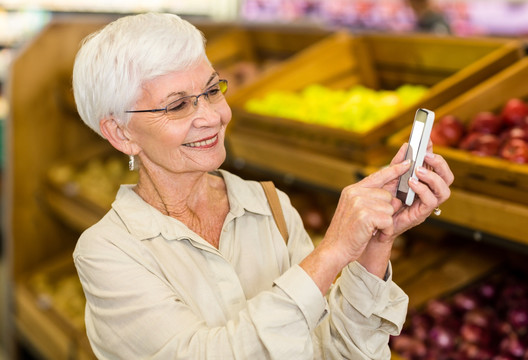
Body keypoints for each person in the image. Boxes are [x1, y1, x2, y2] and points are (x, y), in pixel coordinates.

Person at [72, 12, 453, 360]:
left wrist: (376, 243)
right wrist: (331, 252)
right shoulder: (107, 252)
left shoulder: (269, 206)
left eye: (210, 91)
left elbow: (336, 351)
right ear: (120, 133)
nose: (211, 117)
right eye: (178, 106)